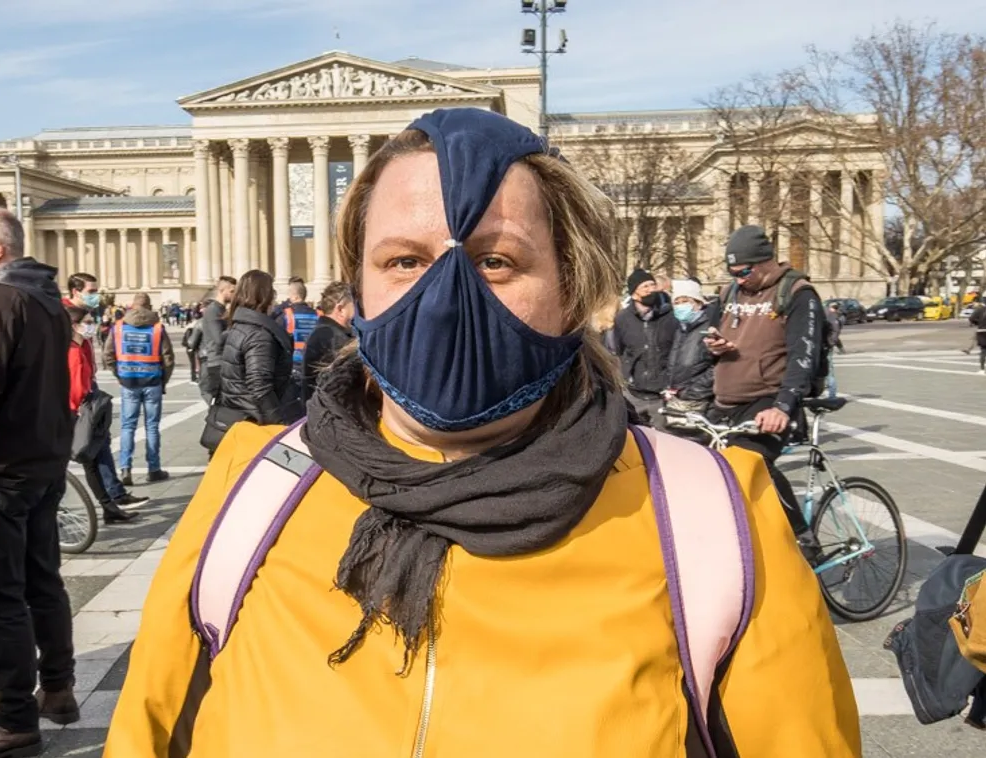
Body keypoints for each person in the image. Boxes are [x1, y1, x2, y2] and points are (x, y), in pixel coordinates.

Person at [106, 108, 859, 757]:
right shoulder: (251, 488)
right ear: (357, 287)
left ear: (574, 287)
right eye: (404, 260)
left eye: (495, 261)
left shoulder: (712, 516)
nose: (445, 298)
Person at [0, 205, 80, 755]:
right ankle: (58, 686)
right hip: (45, 456)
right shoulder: (45, 297)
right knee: (43, 580)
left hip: (5, 465)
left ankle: (16, 714)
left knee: (1, 596)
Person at [705, 225, 824, 541]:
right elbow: (712, 335)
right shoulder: (729, 293)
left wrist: (783, 406)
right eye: (733, 273)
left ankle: (802, 537)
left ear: (764, 262)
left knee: (751, 465)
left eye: (744, 272)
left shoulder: (796, 293)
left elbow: (804, 355)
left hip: (768, 399)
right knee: (704, 468)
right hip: (725, 400)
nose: (738, 280)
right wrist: (714, 346)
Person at [66, 305, 146, 522]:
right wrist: (82, 411)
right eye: (87, 322)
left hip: (86, 408)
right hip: (79, 412)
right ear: (74, 326)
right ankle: (108, 506)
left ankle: (110, 506)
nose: (92, 325)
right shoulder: (73, 352)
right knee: (89, 460)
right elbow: (75, 389)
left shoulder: (82, 346)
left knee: (95, 457)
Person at [104, 293, 174, 486]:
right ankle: (154, 469)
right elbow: (168, 358)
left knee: (127, 426)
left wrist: (119, 375)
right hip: (152, 381)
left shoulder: (118, 327)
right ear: (149, 307)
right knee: (152, 426)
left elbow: (108, 355)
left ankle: (125, 468)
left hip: (129, 382)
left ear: (132, 306)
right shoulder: (157, 328)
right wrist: (163, 381)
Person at [215, 270, 296, 426]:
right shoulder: (258, 334)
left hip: (239, 414)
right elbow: (259, 385)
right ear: (265, 296)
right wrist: (278, 423)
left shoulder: (239, 326)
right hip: (256, 419)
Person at [608, 268, 676, 426]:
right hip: (634, 394)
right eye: (645, 286)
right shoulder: (623, 319)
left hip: (660, 396)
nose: (651, 289)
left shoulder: (669, 317)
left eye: (653, 285)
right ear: (634, 294)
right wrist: (626, 376)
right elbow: (619, 350)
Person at [662, 278, 716, 440]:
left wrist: (691, 392)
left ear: (698, 303)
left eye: (685, 301)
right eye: (676, 302)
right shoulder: (681, 329)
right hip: (678, 402)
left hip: (700, 403)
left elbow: (717, 367)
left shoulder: (709, 329)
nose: (680, 306)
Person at [301, 281, 355, 403]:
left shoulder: (323, 332)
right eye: (355, 307)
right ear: (341, 309)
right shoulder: (333, 337)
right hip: (329, 408)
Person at [281, 279, 320, 407]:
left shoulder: (286, 315)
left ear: (295, 296)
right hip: (313, 364)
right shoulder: (318, 315)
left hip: (293, 364)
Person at [199, 276, 237, 403]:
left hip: (223, 360)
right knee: (221, 403)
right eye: (232, 291)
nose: (234, 295)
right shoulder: (213, 310)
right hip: (217, 362)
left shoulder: (222, 309)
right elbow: (219, 339)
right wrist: (236, 329)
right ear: (222, 290)